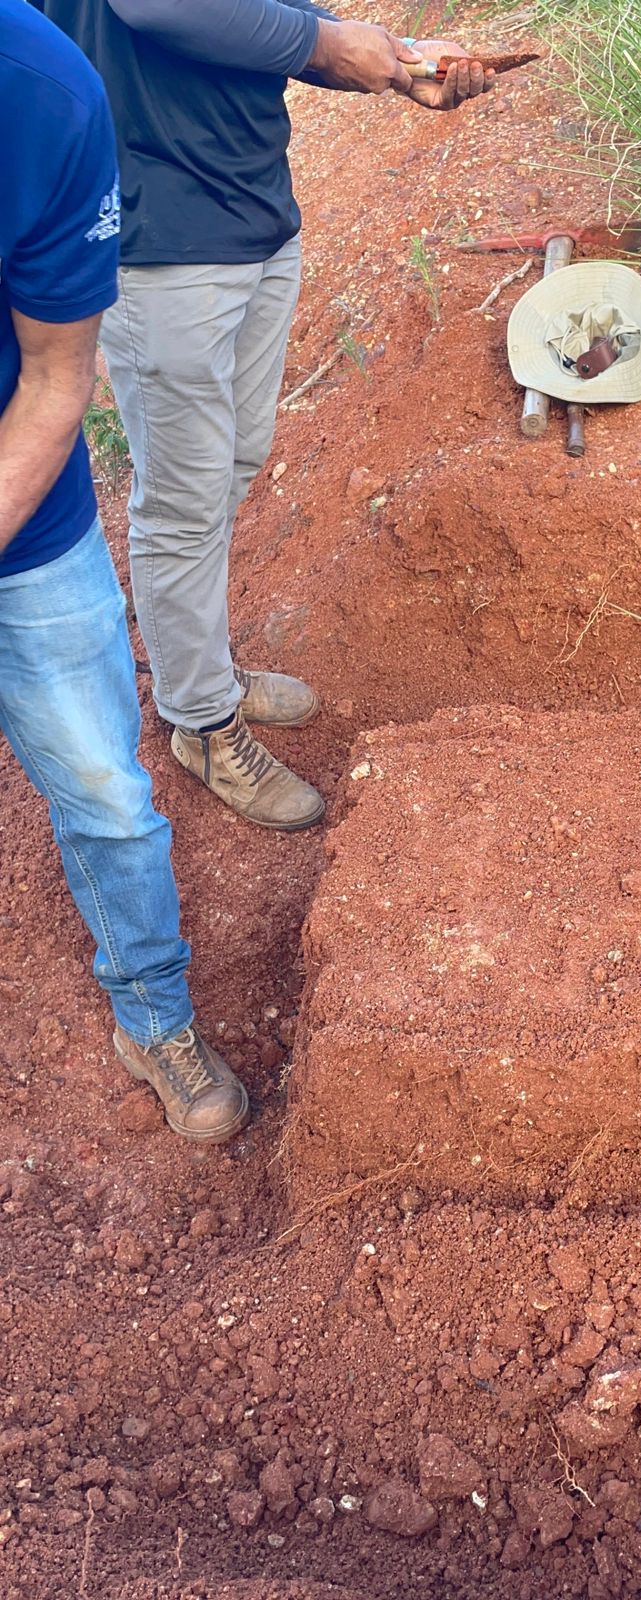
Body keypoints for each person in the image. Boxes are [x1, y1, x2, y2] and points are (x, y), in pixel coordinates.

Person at [35, 0, 494, 832]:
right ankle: (203, 724)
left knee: (233, 463)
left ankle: (198, 668)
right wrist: (328, 42)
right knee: (182, 497)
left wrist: (395, 61)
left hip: (252, 216)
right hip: (159, 238)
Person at [0, 0, 249, 1144]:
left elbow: (58, 379)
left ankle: (152, 1012)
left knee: (107, 793)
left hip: (23, 513)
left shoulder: (42, 94)